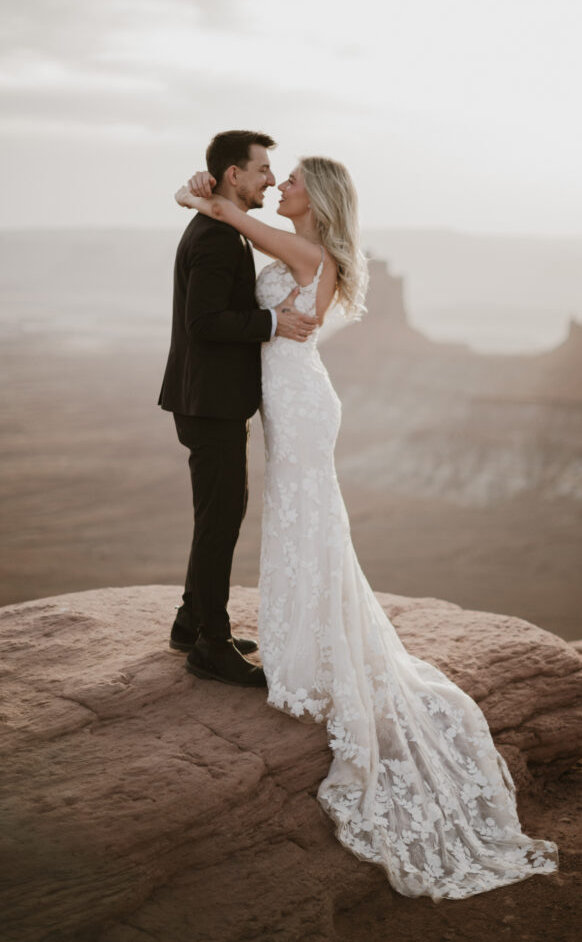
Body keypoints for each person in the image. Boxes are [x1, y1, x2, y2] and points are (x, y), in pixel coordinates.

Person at [174, 156, 559, 900]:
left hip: (300, 401)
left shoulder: (309, 250)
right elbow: (226, 225)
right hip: (290, 396)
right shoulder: (298, 245)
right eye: (272, 178)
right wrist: (204, 197)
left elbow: (227, 217)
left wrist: (207, 196)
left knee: (303, 517)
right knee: (301, 519)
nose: (278, 187)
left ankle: (309, 650)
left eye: (288, 183)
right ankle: (303, 639)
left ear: (314, 200)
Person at [159, 130, 318, 688]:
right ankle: (211, 643)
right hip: (210, 403)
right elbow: (203, 323)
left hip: (210, 400)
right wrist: (273, 323)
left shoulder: (219, 226)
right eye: (262, 170)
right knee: (221, 519)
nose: (270, 179)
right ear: (233, 175)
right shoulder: (217, 238)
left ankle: (190, 621)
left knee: (216, 515)